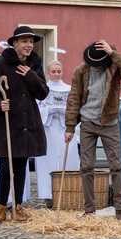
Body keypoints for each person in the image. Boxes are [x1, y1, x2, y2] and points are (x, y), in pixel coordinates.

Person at [64, 40, 121, 220]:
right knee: (86, 166)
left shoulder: (115, 67)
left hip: (110, 122)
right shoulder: (81, 71)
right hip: (87, 121)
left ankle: (120, 210)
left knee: (116, 165)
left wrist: (113, 53)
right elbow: (74, 97)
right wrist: (70, 126)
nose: (95, 66)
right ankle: (89, 210)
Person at [0, 26, 49, 224]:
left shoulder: (35, 63)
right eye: (24, 41)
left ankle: (18, 207)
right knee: (6, 167)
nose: (29, 45)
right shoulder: (2, 62)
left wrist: (31, 75)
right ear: (15, 43)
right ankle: (1, 207)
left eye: (31, 42)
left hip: (27, 122)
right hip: (7, 121)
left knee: (21, 165)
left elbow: (43, 92)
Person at [36, 60, 80, 208]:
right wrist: (48, 111)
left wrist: (64, 112)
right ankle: (48, 195)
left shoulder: (69, 89)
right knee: (48, 161)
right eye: (53, 71)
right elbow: (37, 109)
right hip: (48, 130)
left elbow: (75, 107)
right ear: (49, 72)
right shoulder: (42, 89)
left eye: (58, 71)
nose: (56, 74)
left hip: (65, 130)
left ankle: (69, 192)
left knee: (68, 160)